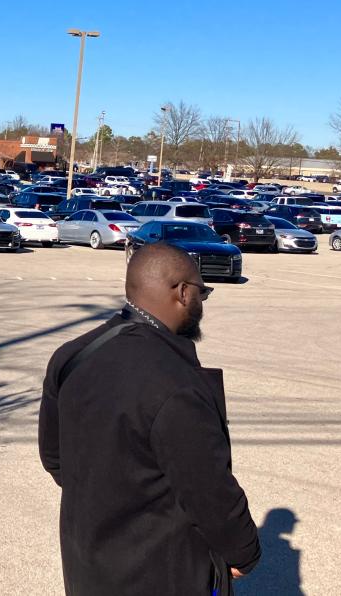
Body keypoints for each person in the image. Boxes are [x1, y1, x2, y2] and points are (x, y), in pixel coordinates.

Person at [38, 242, 260, 596]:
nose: (202, 302)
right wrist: (244, 552)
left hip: (87, 566)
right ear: (184, 293)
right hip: (162, 574)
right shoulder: (177, 386)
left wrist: (108, 501)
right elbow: (209, 491)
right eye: (203, 292)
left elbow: (54, 458)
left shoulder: (72, 354)